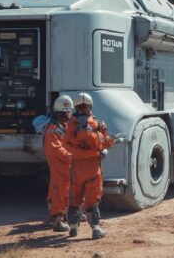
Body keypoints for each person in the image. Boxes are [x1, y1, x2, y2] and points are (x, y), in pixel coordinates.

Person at [65, 92, 114, 239]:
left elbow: (66, 147)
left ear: (75, 108)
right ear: (89, 106)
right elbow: (105, 143)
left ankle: (73, 227)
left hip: (76, 168)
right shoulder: (97, 124)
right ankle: (96, 229)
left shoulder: (69, 125)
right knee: (92, 200)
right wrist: (107, 144)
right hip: (93, 168)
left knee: (75, 198)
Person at [45, 95, 74, 232]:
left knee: (65, 189)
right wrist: (73, 157)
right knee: (59, 190)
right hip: (59, 164)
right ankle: (57, 219)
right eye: (68, 112)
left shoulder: (65, 126)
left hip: (65, 164)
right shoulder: (53, 129)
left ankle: (67, 215)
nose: (70, 114)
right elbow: (57, 149)